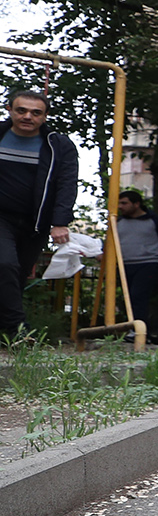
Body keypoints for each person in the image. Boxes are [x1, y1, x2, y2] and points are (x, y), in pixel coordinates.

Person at [0, 89, 77, 341]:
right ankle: (18, 331)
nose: (27, 116)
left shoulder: (59, 146)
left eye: (36, 112)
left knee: (16, 276)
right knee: (5, 264)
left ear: (44, 117)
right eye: (21, 110)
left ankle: (5, 331)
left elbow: (67, 184)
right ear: (10, 109)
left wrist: (60, 222)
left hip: (36, 223)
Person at [111, 190, 158, 336]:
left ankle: (137, 330)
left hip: (148, 262)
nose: (121, 207)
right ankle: (131, 327)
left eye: (124, 203)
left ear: (136, 204)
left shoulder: (155, 221)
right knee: (127, 297)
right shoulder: (118, 221)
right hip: (124, 264)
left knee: (138, 295)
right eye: (119, 203)